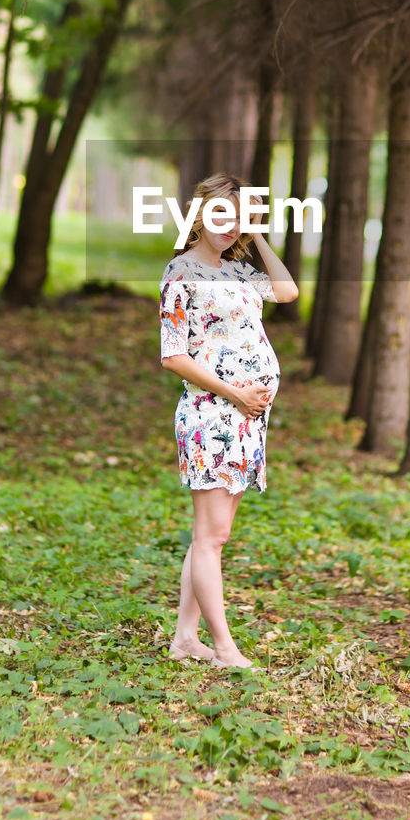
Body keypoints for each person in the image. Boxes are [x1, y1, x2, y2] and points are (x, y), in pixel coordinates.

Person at [158, 172, 299, 669]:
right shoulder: (182, 272)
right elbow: (173, 355)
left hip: (245, 419)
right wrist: (236, 393)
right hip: (211, 415)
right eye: (220, 214)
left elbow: (286, 292)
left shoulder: (238, 271)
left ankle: (184, 639)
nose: (228, 225)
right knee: (211, 537)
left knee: (209, 537)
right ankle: (223, 648)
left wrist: (258, 234)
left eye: (237, 217)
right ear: (199, 215)